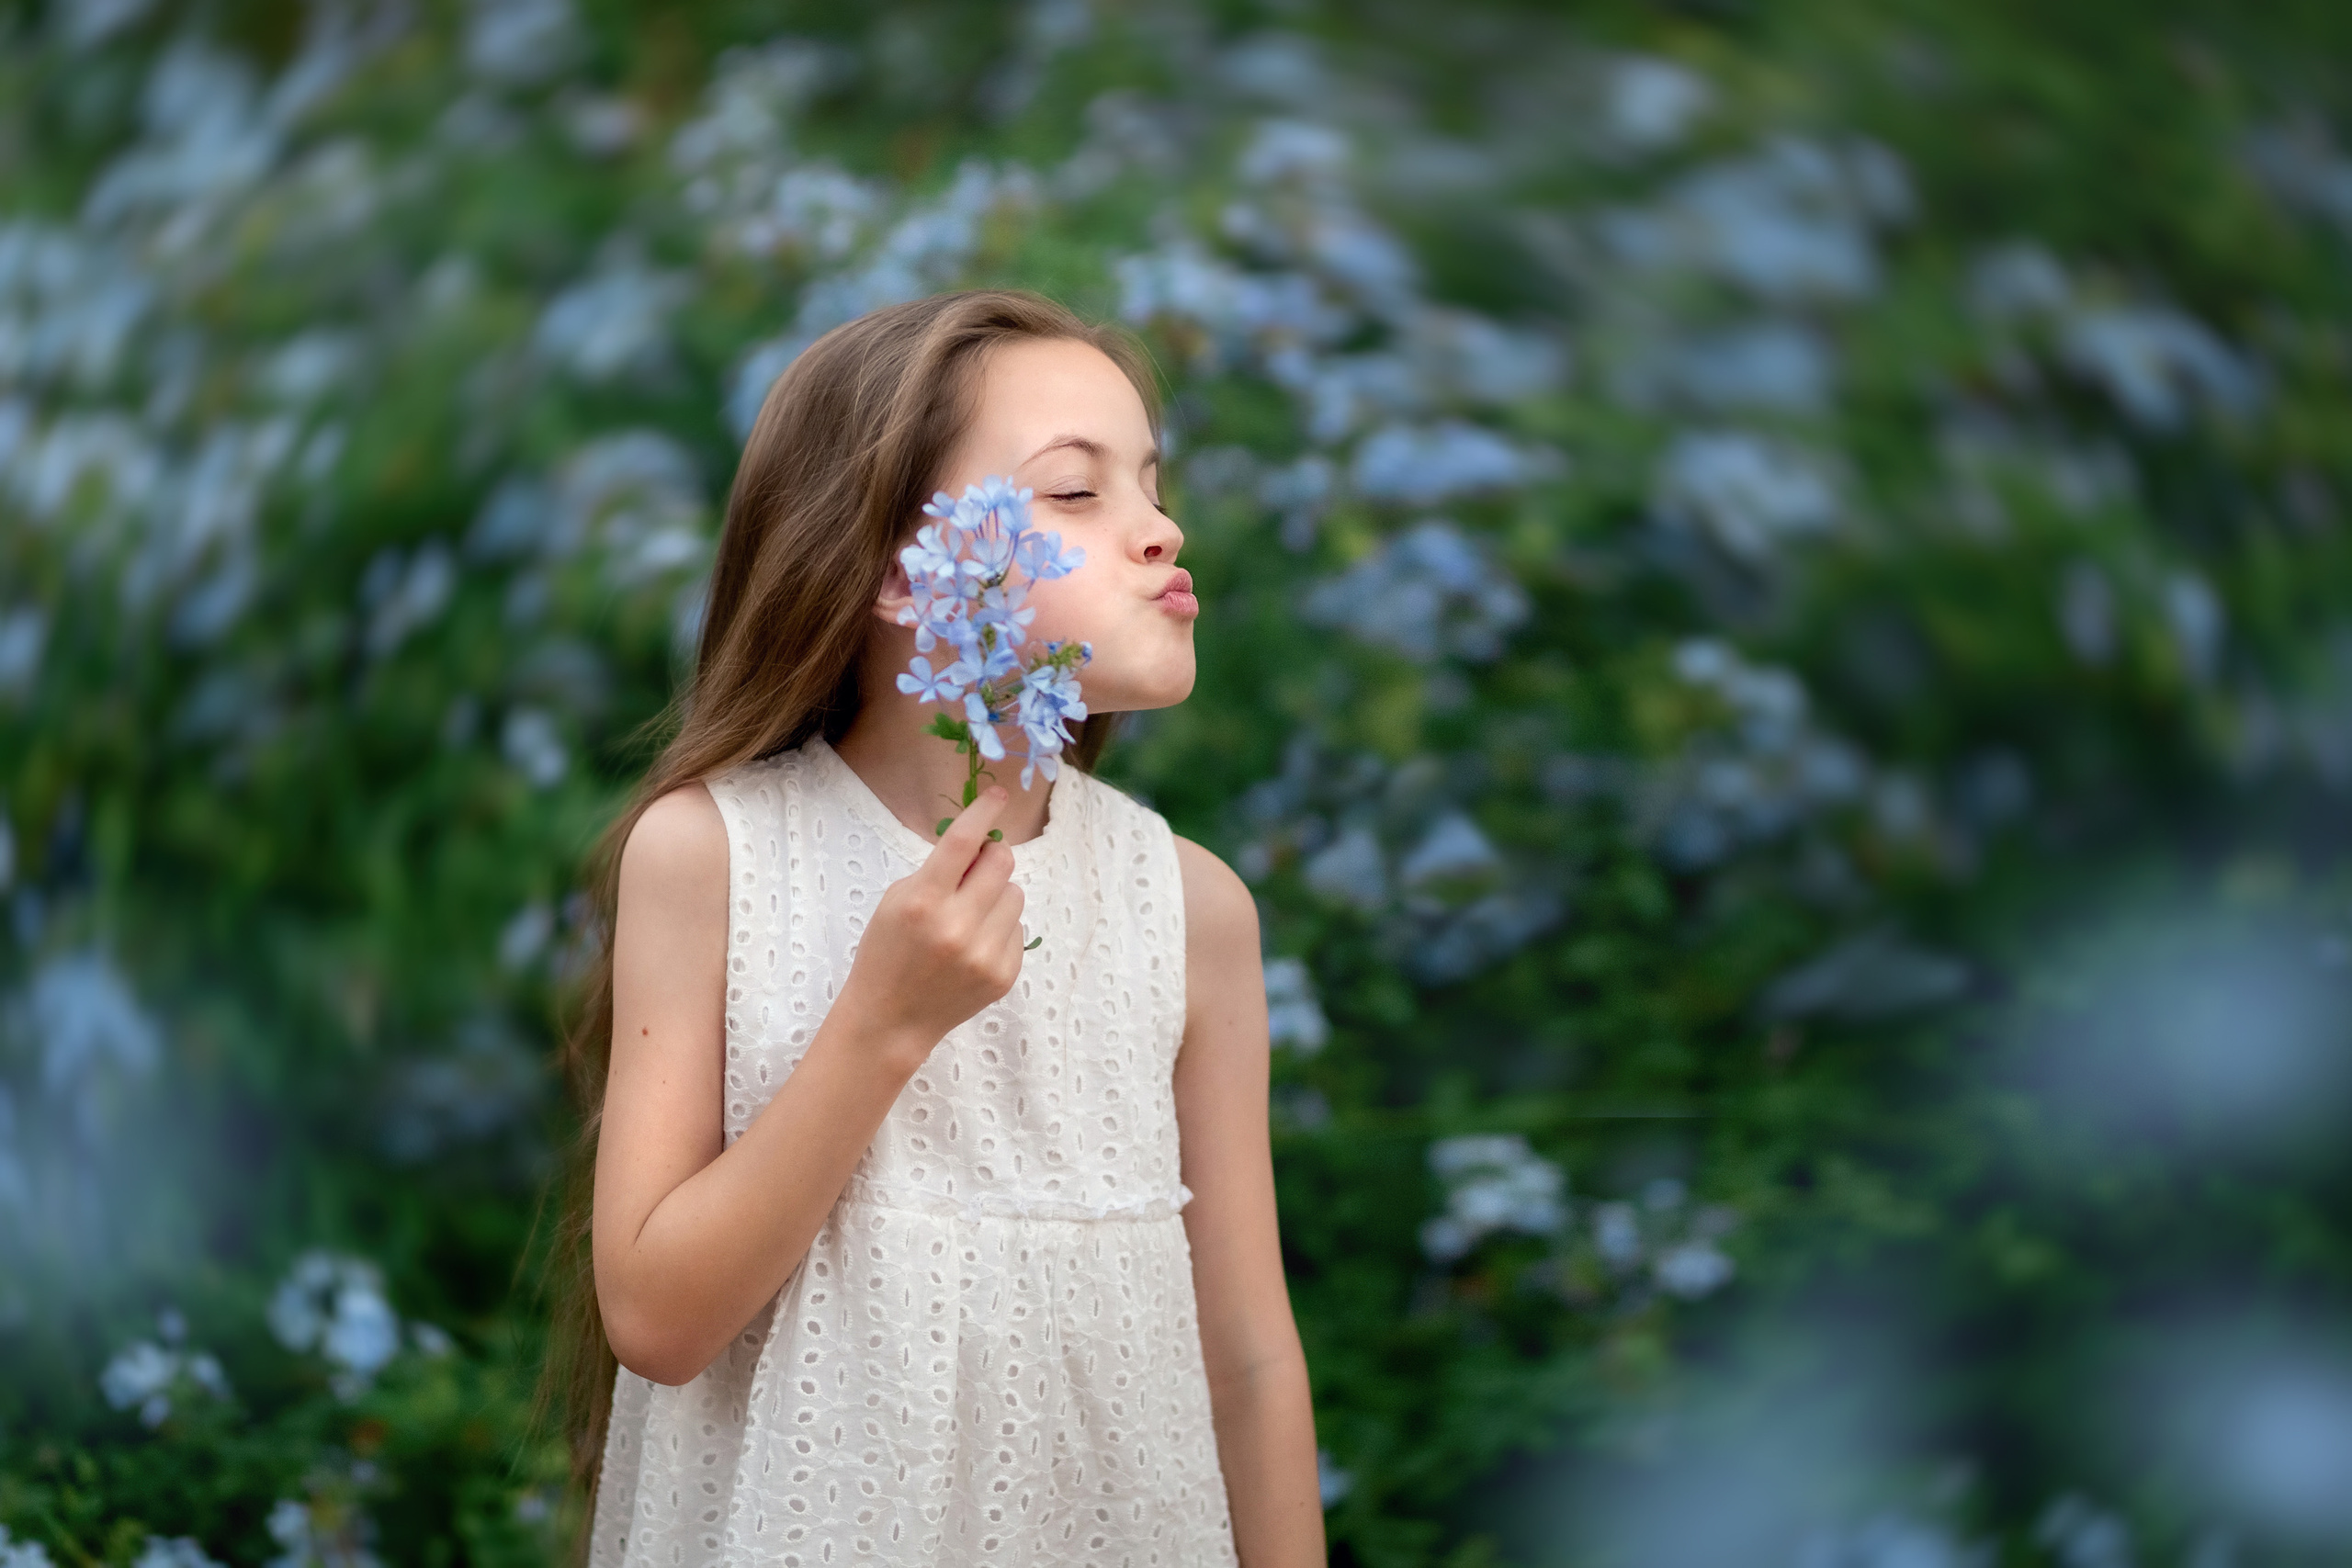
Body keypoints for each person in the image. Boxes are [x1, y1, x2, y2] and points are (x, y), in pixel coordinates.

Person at [543, 288, 1326, 1566]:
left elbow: (1245, 1358)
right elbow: (656, 1319)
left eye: (1151, 483)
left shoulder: (1192, 909)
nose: (1160, 528)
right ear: (909, 577)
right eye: (1076, 494)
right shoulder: (715, 854)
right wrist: (881, 1024)